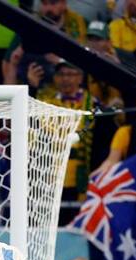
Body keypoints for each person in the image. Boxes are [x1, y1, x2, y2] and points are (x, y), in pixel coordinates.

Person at [40, 61, 95, 203]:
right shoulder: (46, 102)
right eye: (61, 74)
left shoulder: (92, 103)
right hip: (52, 174)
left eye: (70, 74)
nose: (65, 79)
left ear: (80, 78)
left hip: (81, 174)